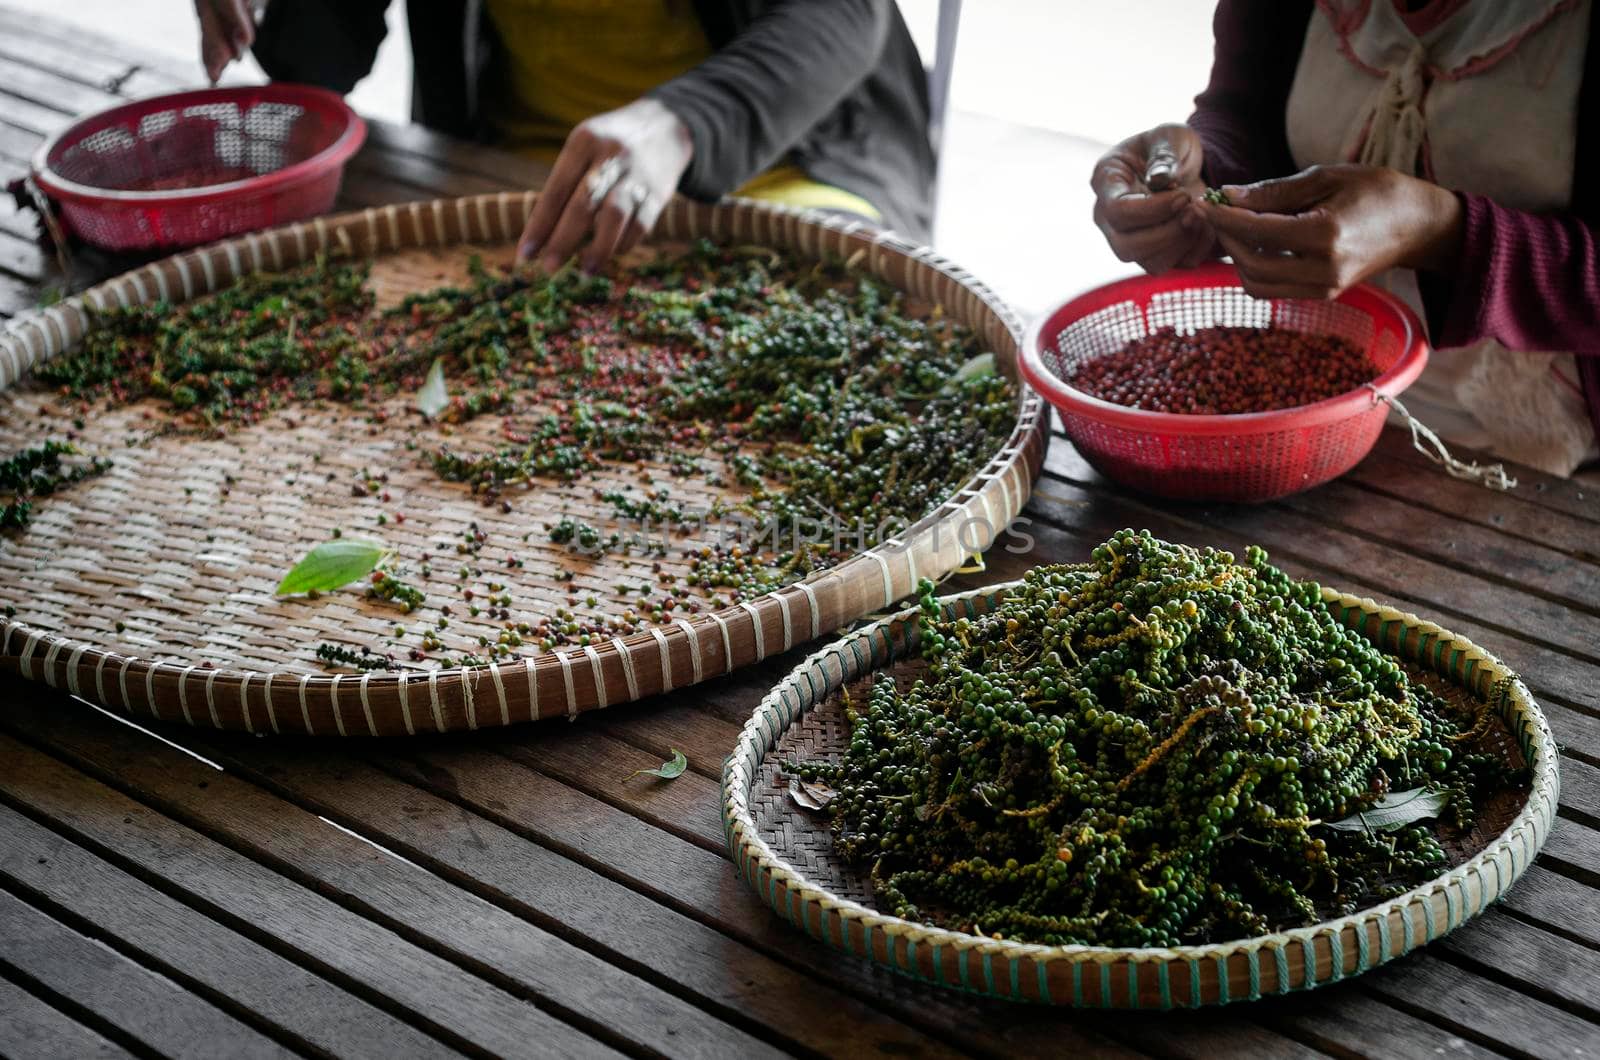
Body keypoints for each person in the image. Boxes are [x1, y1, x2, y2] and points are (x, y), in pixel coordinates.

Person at [1090, 0, 1600, 478]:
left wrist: (1440, 231)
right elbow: (1245, 108)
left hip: (1542, 447)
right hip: (1306, 403)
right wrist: (1204, 172)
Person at [191, 0, 936, 273]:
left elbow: (847, 16)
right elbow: (320, 59)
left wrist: (678, 123)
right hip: (523, 175)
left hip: (779, 163)